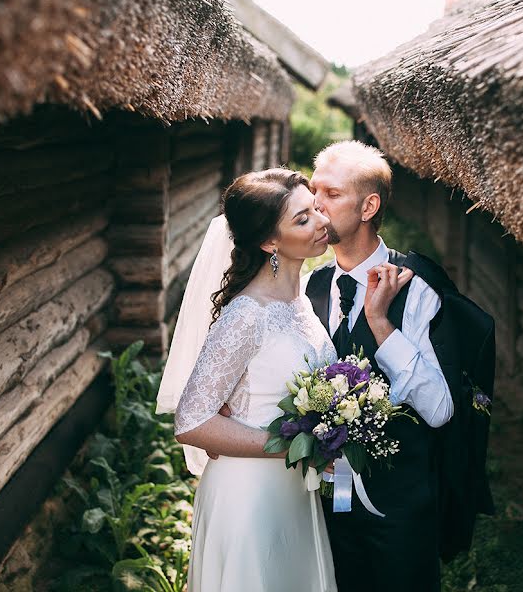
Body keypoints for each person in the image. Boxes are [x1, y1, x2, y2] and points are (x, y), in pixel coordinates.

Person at [156, 168, 341, 592]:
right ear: (269, 242)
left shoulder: (298, 301)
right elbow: (191, 422)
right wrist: (298, 446)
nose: (321, 222)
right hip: (250, 497)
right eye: (302, 219)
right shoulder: (246, 315)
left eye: (314, 208)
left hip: (294, 493)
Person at [303, 141, 453, 592]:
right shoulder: (309, 288)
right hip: (323, 507)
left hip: (400, 510)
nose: (316, 205)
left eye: (331, 194)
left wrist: (380, 323)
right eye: (313, 192)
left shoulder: (418, 288)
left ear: (368, 206)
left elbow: (440, 409)